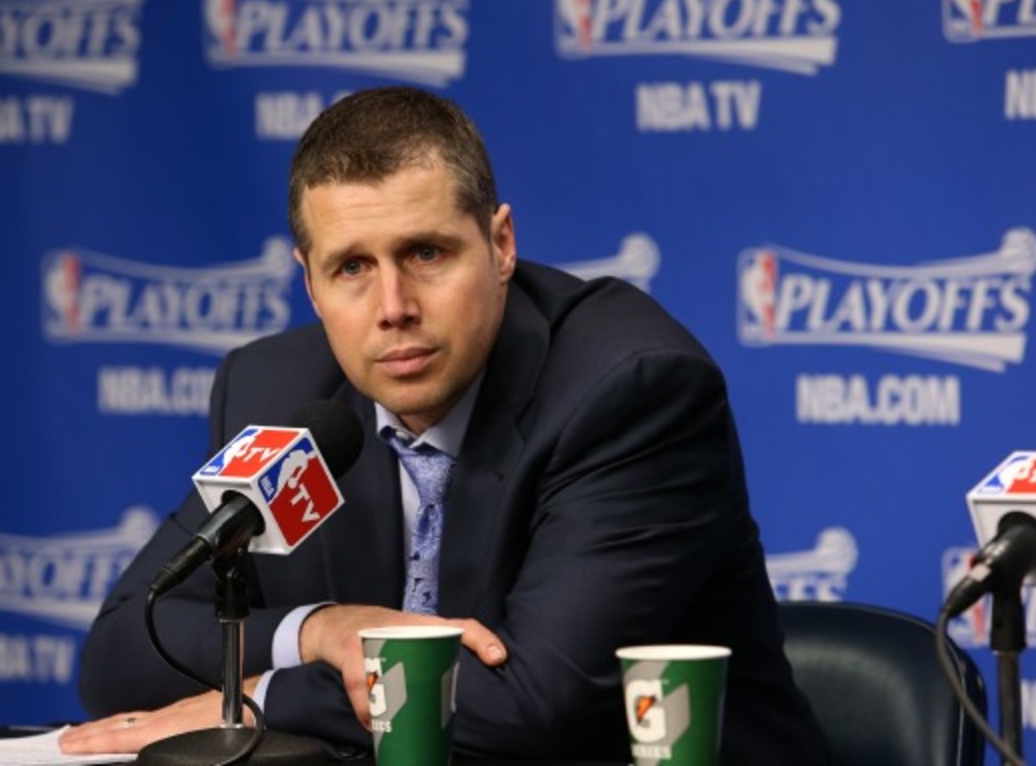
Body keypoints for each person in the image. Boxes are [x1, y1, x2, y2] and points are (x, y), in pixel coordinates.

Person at [61, 86, 829, 763]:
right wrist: (319, 629)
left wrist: (271, 697)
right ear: (309, 281)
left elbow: (538, 703)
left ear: (500, 245)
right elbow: (127, 648)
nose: (392, 306)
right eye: (351, 268)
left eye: (425, 252)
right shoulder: (276, 391)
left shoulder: (628, 388)